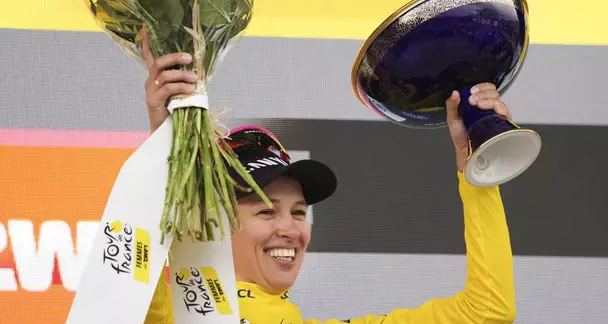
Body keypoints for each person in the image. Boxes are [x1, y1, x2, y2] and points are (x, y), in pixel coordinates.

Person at [139, 32, 517, 324]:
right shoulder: (173, 314)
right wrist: (163, 142)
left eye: (299, 212)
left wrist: (475, 168)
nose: (289, 228)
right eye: (267, 212)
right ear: (213, 225)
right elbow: (139, 296)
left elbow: (487, 311)